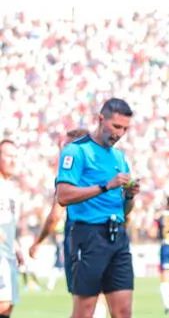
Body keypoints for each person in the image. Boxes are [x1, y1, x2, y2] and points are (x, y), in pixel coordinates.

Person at [55, 98, 140, 318]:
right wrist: (105, 186)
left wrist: (129, 196)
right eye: (116, 127)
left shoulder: (119, 157)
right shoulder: (76, 151)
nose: (120, 133)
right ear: (101, 120)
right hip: (88, 235)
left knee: (123, 312)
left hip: (118, 236)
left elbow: (125, 210)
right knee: (85, 311)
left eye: (125, 129)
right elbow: (62, 196)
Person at [29, 128, 110, 317]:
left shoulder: (71, 174)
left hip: (81, 236)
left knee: (84, 297)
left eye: (65, 146)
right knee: (99, 295)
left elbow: (55, 214)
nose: (62, 151)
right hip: (106, 236)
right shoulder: (102, 170)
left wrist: (38, 242)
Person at [0, 140, 25, 318]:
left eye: (15, 156)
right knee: (3, 304)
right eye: (8, 156)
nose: (13, 160)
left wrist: (16, 248)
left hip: (8, 256)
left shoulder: (12, 189)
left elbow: (9, 225)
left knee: (7, 307)